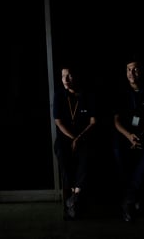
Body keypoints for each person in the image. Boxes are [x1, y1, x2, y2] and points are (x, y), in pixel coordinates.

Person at [112, 55, 144, 222]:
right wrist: (129, 136)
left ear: (142, 71)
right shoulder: (120, 92)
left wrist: (140, 136)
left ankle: (128, 200)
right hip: (125, 135)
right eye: (128, 69)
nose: (131, 72)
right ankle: (132, 198)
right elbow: (116, 121)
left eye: (135, 69)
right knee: (117, 151)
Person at [53, 63, 97, 220]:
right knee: (61, 152)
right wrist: (72, 138)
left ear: (76, 76)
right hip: (66, 138)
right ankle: (75, 195)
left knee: (87, 155)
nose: (66, 79)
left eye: (69, 75)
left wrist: (79, 138)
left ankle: (74, 197)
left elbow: (93, 121)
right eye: (63, 75)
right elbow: (58, 122)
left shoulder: (88, 95)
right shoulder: (59, 95)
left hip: (84, 137)